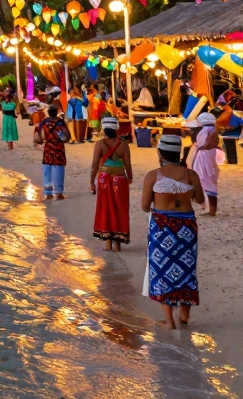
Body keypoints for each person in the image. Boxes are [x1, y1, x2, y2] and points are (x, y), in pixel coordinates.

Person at [141, 134, 205, 330]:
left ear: (160, 153)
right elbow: (200, 199)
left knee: (162, 269)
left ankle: (169, 321)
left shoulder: (153, 175)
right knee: (186, 269)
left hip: (162, 227)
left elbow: (145, 206)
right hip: (186, 227)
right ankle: (184, 316)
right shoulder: (191, 175)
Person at [90, 116, 133, 251]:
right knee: (120, 208)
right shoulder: (123, 145)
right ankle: (117, 244)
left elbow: (95, 164)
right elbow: (127, 164)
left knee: (105, 208)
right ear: (116, 129)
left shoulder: (100, 144)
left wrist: (91, 181)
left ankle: (108, 242)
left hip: (104, 179)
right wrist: (130, 178)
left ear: (104, 129)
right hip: (120, 179)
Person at [35, 105, 69, 200]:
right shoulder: (60, 122)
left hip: (48, 147)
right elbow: (66, 137)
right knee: (59, 169)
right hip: (58, 147)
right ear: (56, 112)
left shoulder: (43, 122)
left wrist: (41, 143)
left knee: (47, 168)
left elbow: (38, 136)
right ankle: (58, 193)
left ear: (48, 112)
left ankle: (48, 192)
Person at [191, 114, 221, 216]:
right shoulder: (212, 130)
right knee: (209, 182)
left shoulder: (205, 131)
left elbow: (204, 145)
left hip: (205, 158)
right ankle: (211, 209)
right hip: (209, 157)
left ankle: (211, 209)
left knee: (206, 181)